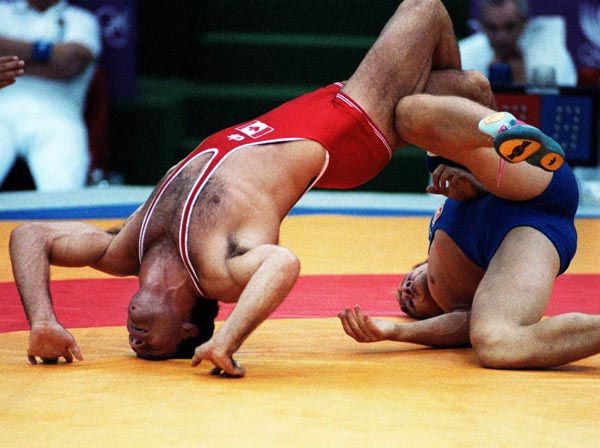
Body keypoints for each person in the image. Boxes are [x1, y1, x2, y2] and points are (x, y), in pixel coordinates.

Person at [10, 0, 494, 378]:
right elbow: (282, 263)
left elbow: (29, 237)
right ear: (187, 328)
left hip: (320, 108)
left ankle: (468, 184)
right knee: (424, 11)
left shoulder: (124, 250)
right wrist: (229, 340)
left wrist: (43, 322)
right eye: (154, 347)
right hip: (349, 131)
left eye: (138, 345)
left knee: (469, 88)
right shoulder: (218, 273)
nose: (136, 340)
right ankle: (466, 178)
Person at [338, 93, 600, 370]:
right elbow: (463, 325)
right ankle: (493, 126)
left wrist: (474, 189)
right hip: (531, 228)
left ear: (420, 264)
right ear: (432, 317)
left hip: (511, 179)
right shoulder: (464, 305)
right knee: (496, 344)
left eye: (404, 284)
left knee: (409, 114)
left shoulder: (437, 239)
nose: (405, 293)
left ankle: (498, 128)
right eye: (410, 308)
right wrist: (395, 331)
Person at [0, 0, 101, 191]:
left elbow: (70, 64)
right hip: (1, 107)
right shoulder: (2, 12)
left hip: (58, 115)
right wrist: (48, 53)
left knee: (64, 192)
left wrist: (9, 58)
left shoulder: (80, 20)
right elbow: (60, 63)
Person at [459, 0, 577, 86]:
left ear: (523, 23)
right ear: (482, 25)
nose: (501, 37)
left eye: (509, 27)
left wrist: (522, 85)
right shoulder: (463, 54)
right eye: (493, 28)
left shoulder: (553, 56)